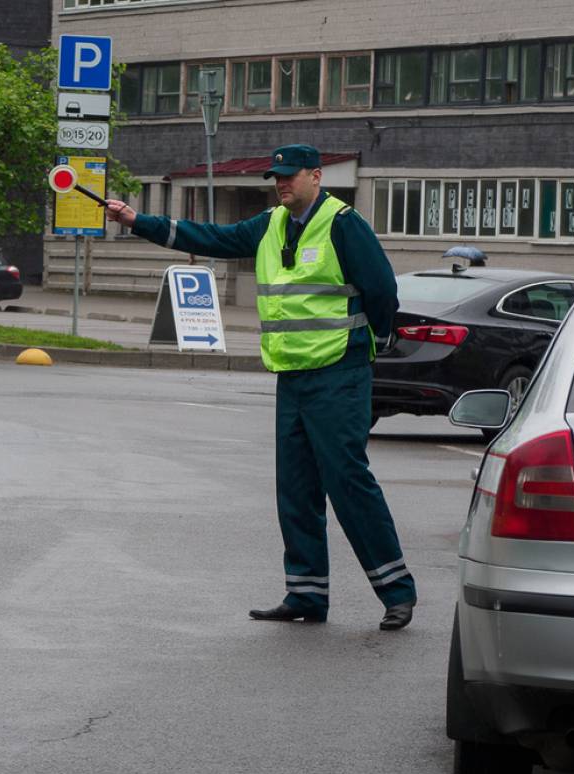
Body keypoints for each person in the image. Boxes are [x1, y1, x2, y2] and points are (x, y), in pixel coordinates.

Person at [105, 144, 416, 631]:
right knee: (295, 489)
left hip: (339, 371)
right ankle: (307, 594)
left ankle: (396, 592)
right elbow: (211, 236)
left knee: (348, 483)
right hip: (291, 375)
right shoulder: (269, 224)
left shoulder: (342, 223)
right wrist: (137, 220)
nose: (281, 183)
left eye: (290, 176)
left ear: (317, 176)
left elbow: (382, 292)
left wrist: (372, 341)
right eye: (277, 177)